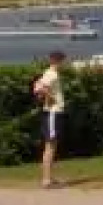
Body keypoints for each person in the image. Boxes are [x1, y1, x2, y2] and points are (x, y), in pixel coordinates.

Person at [32, 51, 67, 189]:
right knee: (50, 146)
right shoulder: (52, 74)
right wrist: (49, 98)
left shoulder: (49, 73)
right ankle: (46, 180)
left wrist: (45, 96)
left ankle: (49, 178)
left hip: (53, 112)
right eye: (62, 61)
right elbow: (38, 89)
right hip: (53, 113)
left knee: (52, 145)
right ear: (58, 61)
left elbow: (37, 85)